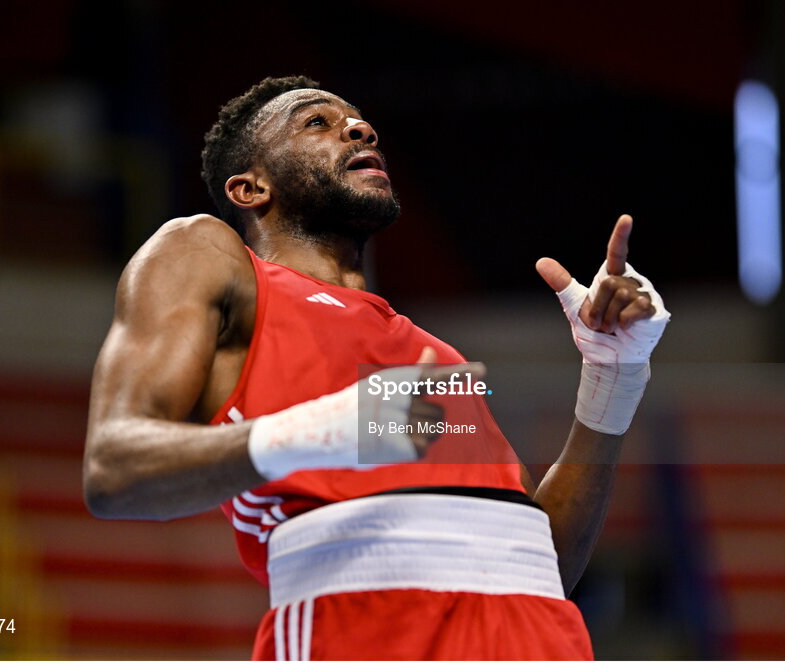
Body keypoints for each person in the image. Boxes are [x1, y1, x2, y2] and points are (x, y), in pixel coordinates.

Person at [83, 75, 669, 660]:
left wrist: (611, 378)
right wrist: (325, 431)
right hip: (361, 623)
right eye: (317, 122)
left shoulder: (436, 354)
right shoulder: (208, 256)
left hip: (536, 636)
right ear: (249, 187)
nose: (361, 129)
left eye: (361, 122)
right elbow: (113, 468)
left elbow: (545, 565)